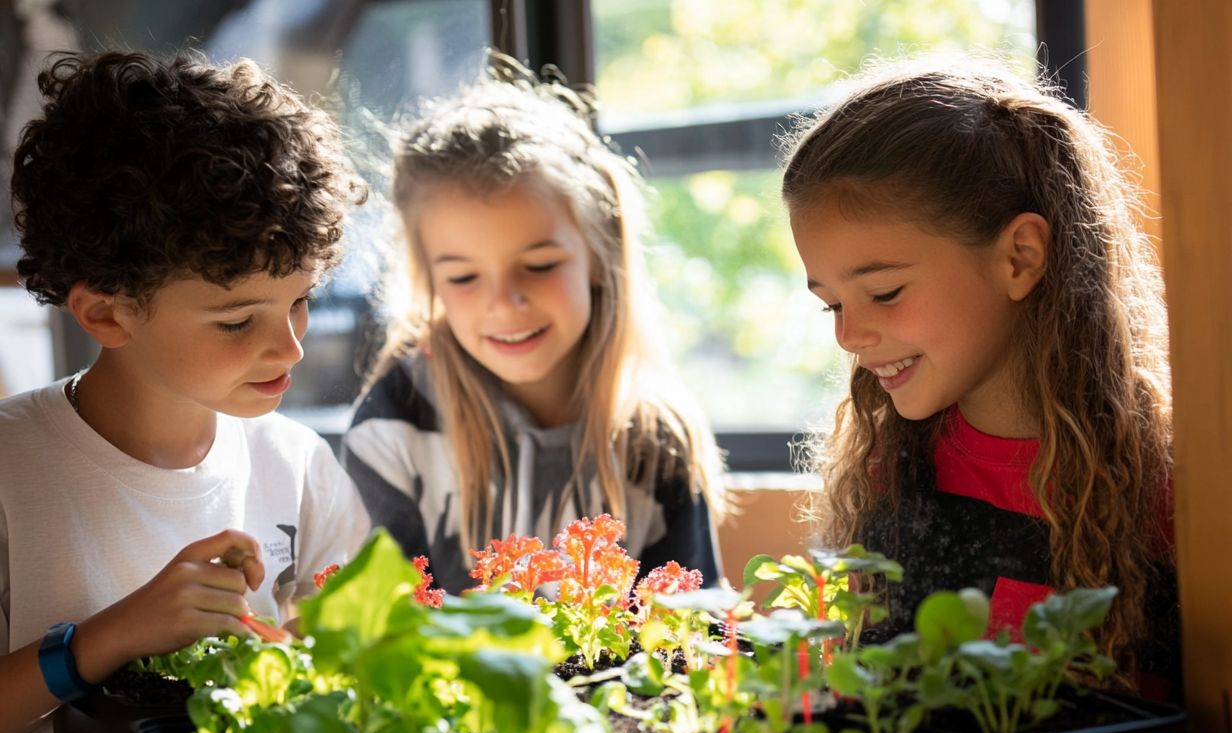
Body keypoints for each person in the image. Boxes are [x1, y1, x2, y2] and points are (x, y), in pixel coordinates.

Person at [0, 49, 371, 733]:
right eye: (238, 319)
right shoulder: (15, 469)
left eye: (301, 301)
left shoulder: (297, 466)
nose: (288, 347)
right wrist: (113, 635)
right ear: (105, 312)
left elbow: (356, 669)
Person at [780, 56, 1178, 699]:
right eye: (832, 304)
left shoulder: (1168, 486)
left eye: (883, 292)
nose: (848, 336)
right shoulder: (891, 468)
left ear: (1020, 257)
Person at [343, 54, 727, 594]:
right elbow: (381, 633)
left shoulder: (656, 441)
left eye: (540, 266)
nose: (504, 303)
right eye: (463, 277)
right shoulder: (394, 425)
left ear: (600, 255)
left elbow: (693, 633)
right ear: (428, 281)